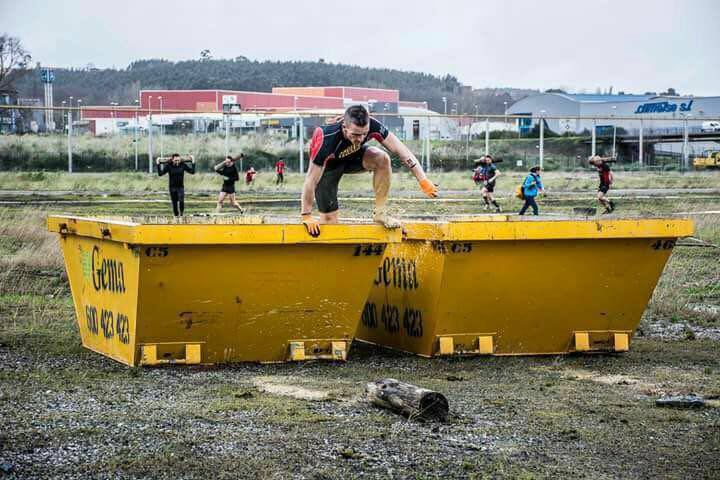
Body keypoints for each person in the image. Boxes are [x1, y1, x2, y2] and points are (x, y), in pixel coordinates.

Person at [300, 105, 438, 237]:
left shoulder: (373, 125)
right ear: (344, 127)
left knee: (382, 158)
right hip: (328, 168)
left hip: (352, 157)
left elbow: (401, 150)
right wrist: (306, 215)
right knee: (330, 221)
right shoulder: (326, 138)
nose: (359, 139)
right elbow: (311, 180)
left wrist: (423, 179)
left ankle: (380, 213)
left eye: (364, 134)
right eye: (355, 135)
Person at [156, 153, 195, 217]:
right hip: (172, 187)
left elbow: (192, 172)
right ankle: (176, 217)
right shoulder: (169, 166)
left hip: (180, 187)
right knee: (174, 204)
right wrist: (158, 163)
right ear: (172, 160)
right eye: (175, 160)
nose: (177, 162)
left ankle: (181, 214)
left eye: (178, 160)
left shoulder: (182, 165)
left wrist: (193, 161)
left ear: (180, 160)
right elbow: (160, 174)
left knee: (181, 201)